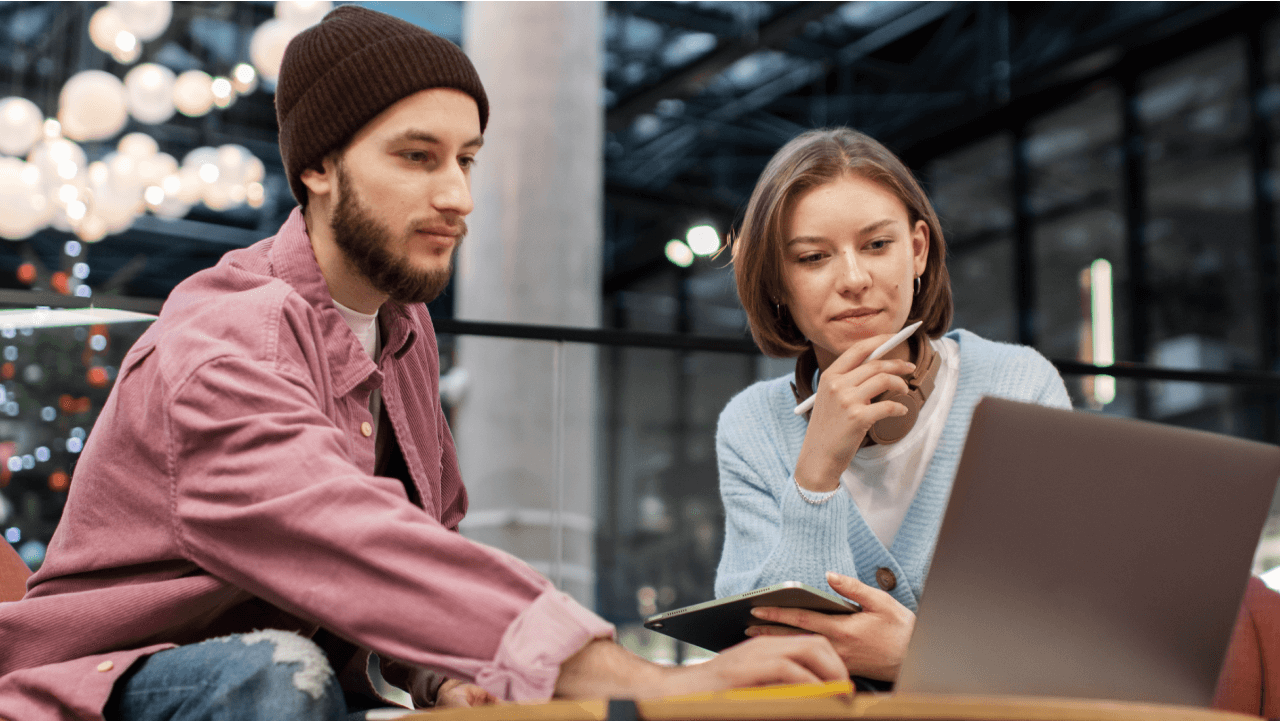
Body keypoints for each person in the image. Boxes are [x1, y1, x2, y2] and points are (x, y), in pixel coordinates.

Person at [0, 8, 848, 721]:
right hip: (115, 684)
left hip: (302, 682)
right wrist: (641, 679)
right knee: (275, 671)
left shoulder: (402, 331)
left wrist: (437, 673)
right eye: (417, 156)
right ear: (319, 166)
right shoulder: (222, 341)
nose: (458, 196)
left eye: (467, 159)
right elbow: (344, 540)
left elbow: (413, 554)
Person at [714, 128, 1071, 684]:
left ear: (919, 250)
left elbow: (1065, 627)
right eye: (813, 257)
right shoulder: (751, 426)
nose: (855, 280)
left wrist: (921, 657)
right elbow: (767, 655)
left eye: (878, 245)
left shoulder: (1016, 385)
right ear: (777, 282)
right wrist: (816, 474)